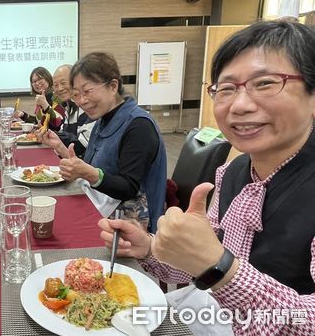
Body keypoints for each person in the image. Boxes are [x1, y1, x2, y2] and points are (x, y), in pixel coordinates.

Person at [99, 20, 315, 335]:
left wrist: (224, 272)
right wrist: (149, 248)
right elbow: (202, 262)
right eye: (226, 89)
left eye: (266, 83)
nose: (240, 105)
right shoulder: (233, 174)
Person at [38, 52, 167, 232]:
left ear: (113, 86)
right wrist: (59, 146)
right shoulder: (103, 119)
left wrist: (89, 173)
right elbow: (92, 166)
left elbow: (128, 188)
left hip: (133, 222)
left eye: (87, 91)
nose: (82, 101)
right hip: (100, 203)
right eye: (76, 94)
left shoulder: (139, 125)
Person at [51, 64, 93, 158]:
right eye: (56, 85)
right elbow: (62, 134)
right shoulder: (69, 107)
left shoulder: (88, 107)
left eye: (63, 83)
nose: (59, 88)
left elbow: (82, 147)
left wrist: (55, 135)